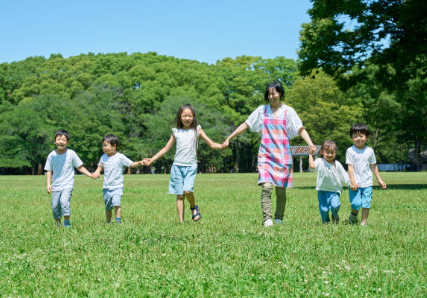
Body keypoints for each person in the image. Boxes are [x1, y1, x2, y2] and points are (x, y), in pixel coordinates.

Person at [222, 81, 316, 227]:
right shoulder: (262, 110)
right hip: (266, 155)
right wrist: (229, 137)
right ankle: (267, 218)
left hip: (283, 156)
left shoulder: (288, 111)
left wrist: (310, 143)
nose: (271, 96)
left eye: (274, 93)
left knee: (280, 191)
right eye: (269, 94)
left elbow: (300, 128)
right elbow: (246, 124)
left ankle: (279, 217)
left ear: (280, 93)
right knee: (266, 187)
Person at [142, 103, 222, 223]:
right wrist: (152, 159)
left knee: (187, 191)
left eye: (190, 116)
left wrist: (221, 146)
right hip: (177, 166)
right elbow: (165, 148)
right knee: (180, 195)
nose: (187, 118)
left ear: (193, 117)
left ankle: (193, 207)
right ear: (180, 117)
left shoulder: (197, 130)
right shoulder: (176, 131)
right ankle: (181, 222)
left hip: (191, 166)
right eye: (184, 115)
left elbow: (211, 143)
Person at [44, 130, 94, 227]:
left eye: (64, 140)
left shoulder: (71, 154)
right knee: (55, 206)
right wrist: (48, 184)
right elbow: (49, 170)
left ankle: (67, 223)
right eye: (58, 139)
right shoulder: (51, 155)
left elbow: (79, 167)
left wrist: (89, 174)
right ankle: (58, 224)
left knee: (64, 202)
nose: (61, 142)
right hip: (56, 185)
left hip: (67, 184)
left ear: (67, 142)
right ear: (54, 141)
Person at [92, 134, 143, 223]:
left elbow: (131, 164)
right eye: (103, 146)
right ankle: (108, 222)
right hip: (106, 187)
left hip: (117, 186)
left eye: (106, 145)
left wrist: (139, 162)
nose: (104, 148)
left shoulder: (120, 157)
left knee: (116, 203)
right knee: (108, 206)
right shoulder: (103, 157)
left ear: (114, 146)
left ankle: (118, 220)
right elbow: (100, 166)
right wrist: (97, 171)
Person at [346, 123, 386, 226]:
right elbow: (350, 167)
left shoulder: (370, 151)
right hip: (355, 183)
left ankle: (363, 223)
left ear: (367, 137)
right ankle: (353, 214)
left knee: (366, 203)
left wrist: (379, 179)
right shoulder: (350, 151)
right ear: (352, 138)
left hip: (367, 182)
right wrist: (352, 181)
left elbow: (373, 166)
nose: (358, 138)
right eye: (355, 136)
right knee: (355, 204)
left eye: (361, 136)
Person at [309, 140, 349, 224]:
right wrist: (310, 154)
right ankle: (326, 222)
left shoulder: (337, 164)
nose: (330, 155)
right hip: (322, 190)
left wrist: (350, 183)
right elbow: (312, 166)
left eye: (332, 152)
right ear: (322, 152)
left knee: (335, 205)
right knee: (324, 209)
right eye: (327, 152)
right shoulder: (320, 161)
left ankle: (335, 214)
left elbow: (344, 175)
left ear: (336, 152)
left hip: (335, 190)